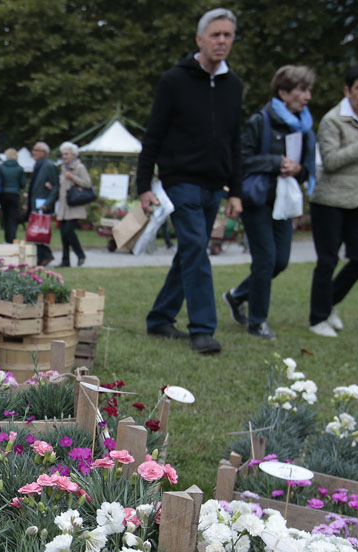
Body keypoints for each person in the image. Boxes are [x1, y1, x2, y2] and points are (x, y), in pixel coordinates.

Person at [136, 8, 244, 355]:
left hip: (216, 184)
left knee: (189, 251)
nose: (222, 41)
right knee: (197, 248)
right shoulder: (174, 81)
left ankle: (160, 318)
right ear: (200, 39)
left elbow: (235, 141)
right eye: (215, 35)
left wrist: (236, 191)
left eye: (228, 35)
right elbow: (153, 136)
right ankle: (202, 329)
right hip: (179, 180)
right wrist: (143, 186)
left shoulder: (234, 86)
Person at [223, 65, 317, 341]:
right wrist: (276, 163)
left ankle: (237, 295)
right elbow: (240, 159)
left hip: (284, 202)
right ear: (283, 92)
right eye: (302, 90)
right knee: (265, 260)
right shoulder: (260, 121)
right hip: (259, 199)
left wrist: (299, 170)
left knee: (280, 261)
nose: (307, 96)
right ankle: (257, 322)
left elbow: (309, 168)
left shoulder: (306, 128)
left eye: (308, 90)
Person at [307, 63, 358, 337]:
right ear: (348, 90)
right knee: (327, 260)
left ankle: (329, 302)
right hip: (330, 199)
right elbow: (330, 161)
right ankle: (318, 318)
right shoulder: (333, 120)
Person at [55, 142, 93, 267]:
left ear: (73, 154)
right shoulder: (63, 167)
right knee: (63, 234)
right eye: (63, 154)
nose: (64, 156)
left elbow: (88, 183)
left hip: (74, 205)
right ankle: (65, 261)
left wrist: (73, 177)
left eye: (66, 154)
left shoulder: (79, 167)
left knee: (69, 232)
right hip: (64, 206)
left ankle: (80, 254)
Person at [25, 142, 59, 266]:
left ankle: (46, 256)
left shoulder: (49, 166)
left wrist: (48, 203)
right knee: (36, 230)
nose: (34, 152)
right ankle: (42, 256)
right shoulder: (38, 165)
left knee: (40, 230)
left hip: (43, 204)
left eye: (36, 150)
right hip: (36, 202)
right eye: (33, 149)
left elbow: (55, 187)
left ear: (44, 153)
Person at [0, 149, 25, 243]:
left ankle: (7, 239)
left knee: (5, 216)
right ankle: (13, 238)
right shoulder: (20, 169)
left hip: (3, 194)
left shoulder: (1, 167)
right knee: (13, 217)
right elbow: (22, 184)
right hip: (14, 194)